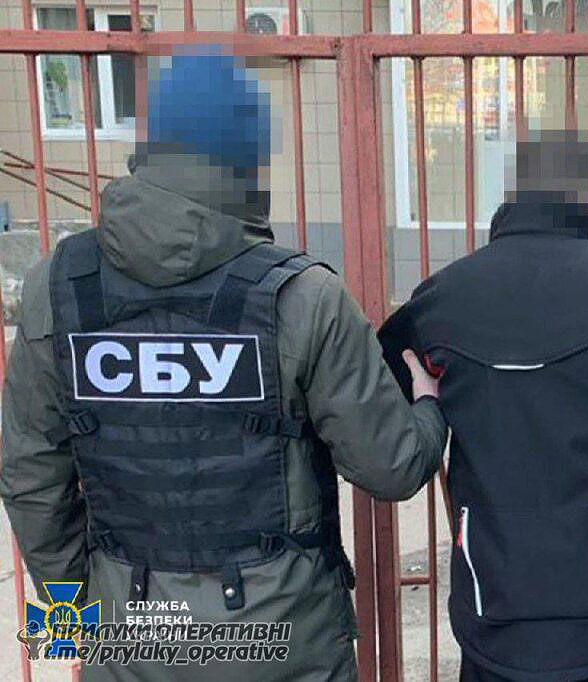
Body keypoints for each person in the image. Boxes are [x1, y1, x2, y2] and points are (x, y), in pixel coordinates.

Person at [0, 51, 447, 682]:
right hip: (285, 639)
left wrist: (77, 625)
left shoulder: (57, 285)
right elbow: (391, 468)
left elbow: (29, 478)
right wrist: (429, 408)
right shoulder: (303, 295)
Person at [379, 130, 588, 682]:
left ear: (515, 190)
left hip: (491, 610)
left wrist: (429, 405)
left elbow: (376, 396)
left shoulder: (444, 298)